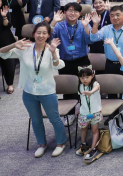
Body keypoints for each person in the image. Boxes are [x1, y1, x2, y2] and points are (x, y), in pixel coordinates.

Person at [0, 23, 67, 157]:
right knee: (36, 120)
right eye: (38, 32)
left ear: (48, 35)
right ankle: (42, 144)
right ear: (33, 34)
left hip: (47, 91)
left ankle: (61, 143)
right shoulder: (25, 48)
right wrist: (13, 44)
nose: (41, 35)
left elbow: (58, 65)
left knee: (54, 118)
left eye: (44, 33)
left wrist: (54, 52)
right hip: (29, 91)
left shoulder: (51, 49)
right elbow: (2, 53)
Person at [90, 5, 123, 76]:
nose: (115, 18)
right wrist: (95, 24)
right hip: (109, 64)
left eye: (118, 15)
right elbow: (93, 38)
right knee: (110, 85)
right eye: (112, 15)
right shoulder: (105, 29)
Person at [75, 66, 102, 163]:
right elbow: (82, 99)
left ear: (92, 76)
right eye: (82, 77)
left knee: (95, 130)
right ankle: (83, 144)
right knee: (83, 128)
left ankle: (93, 148)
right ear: (79, 78)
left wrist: (90, 92)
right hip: (84, 113)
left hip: (95, 112)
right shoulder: (80, 86)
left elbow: (97, 87)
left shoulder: (95, 84)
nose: (85, 79)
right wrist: (80, 109)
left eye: (87, 77)